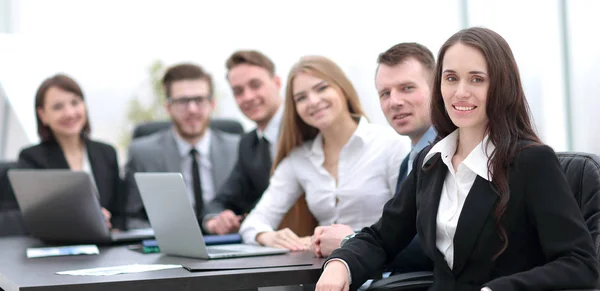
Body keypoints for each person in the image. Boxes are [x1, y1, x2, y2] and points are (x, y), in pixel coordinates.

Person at [317, 27, 599, 291]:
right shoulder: (431, 162)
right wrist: (340, 264)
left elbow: (580, 263)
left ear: (501, 85)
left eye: (476, 79)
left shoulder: (532, 162)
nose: (460, 92)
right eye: (451, 78)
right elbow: (381, 237)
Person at [239, 55, 408, 252]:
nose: (313, 101)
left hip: (384, 273)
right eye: (301, 98)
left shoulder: (390, 144)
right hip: (324, 275)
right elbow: (253, 223)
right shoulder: (299, 159)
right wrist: (267, 236)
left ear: (342, 89)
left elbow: (408, 227)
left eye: (321, 88)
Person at [312, 43, 439, 266]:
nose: (395, 102)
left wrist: (350, 240)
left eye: (407, 88)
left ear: (437, 89)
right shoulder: (408, 162)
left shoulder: (452, 154)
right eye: (385, 93)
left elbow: (438, 247)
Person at [124, 63, 240, 230]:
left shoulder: (237, 149)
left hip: (231, 244)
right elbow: (132, 219)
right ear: (168, 107)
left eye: (199, 100)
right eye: (182, 101)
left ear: (212, 104)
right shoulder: (143, 154)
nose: (192, 110)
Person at [18, 74, 123, 229]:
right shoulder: (31, 159)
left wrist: (112, 224)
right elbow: (35, 217)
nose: (69, 113)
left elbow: (121, 212)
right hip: (61, 246)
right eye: (58, 107)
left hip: (107, 244)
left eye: (75, 103)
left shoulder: (107, 153)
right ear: (43, 115)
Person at [201, 50, 284, 235]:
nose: (247, 97)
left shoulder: (305, 129)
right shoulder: (249, 144)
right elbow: (222, 201)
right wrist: (215, 221)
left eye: (255, 85)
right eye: (238, 91)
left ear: (277, 83)